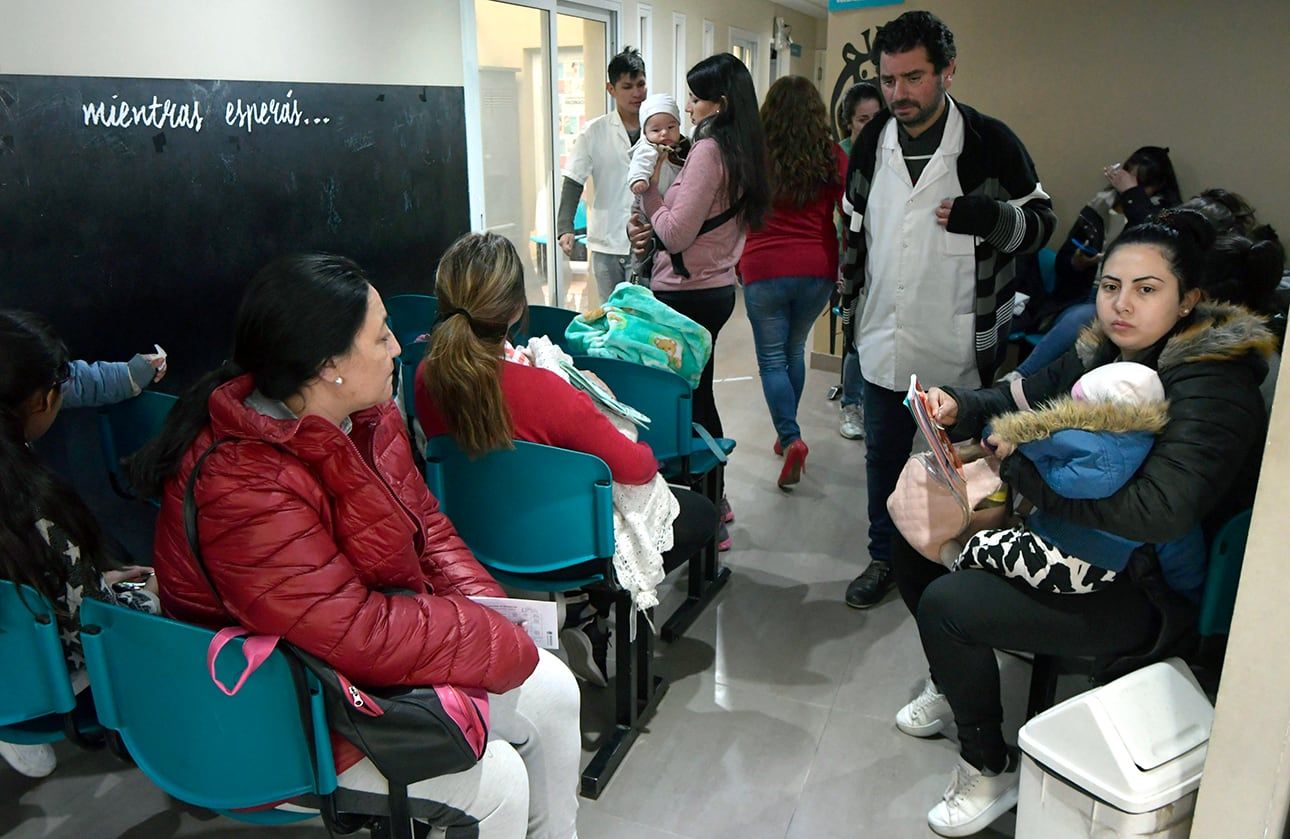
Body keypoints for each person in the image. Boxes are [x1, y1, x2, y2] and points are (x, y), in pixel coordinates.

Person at [128, 255, 579, 838]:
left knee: (553, 690)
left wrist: (494, 614)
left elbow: (427, 529)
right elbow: (352, 631)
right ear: (328, 366)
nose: (398, 347)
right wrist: (489, 640)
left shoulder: (367, 415)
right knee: (498, 783)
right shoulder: (242, 485)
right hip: (293, 704)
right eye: (381, 335)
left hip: (361, 659)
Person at [894, 211, 1272, 836]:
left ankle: (988, 766)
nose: (1121, 304)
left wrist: (1023, 477)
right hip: (1073, 539)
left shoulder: (1212, 385)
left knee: (948, 604)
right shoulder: (1109, 349)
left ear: (1188, 301)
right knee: (917, 539)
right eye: (1109, 285)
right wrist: (961, 406)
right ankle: (952, 680)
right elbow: (1025, 397)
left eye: (1146, 289)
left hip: (1146, 583)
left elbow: (1159, 511)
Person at [414, 232, 719, 685]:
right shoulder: (549, 393)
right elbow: (638, 468)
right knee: (700, 512)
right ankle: (585, 607)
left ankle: (573, 608)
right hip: (563, 545)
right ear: (517, 309)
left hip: (477, 535)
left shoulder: (423, 379)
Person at [839, 10, 1056, 609]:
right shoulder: (871, 141)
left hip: (960, 344)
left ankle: (966, 562)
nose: (898, 94)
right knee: (883, 461)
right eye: (888, 80)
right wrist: (845, 300)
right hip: (884, 335)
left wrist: (988, 218)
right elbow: (854, 229)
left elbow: (1041, 223)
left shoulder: (989, 143)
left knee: (963, 467)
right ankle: (884, 558)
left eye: (913, 78)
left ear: (947, 72)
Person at [0, 310, 158, 780]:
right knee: (156, 591)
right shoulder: (35, 505)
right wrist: (112, 583)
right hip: (53, 671)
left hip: (13, 653)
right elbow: (89, 617)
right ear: (45, 400)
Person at [954, 361, 1205, 596]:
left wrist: (1025, 456)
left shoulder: (1087, 444)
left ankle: (955, 562)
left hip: (1064, 557)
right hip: (1105, 568)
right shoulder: (1149, 451)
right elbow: (1179, 540)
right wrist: (1188, 591)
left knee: (981, 546)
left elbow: (1060, 477)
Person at [628, 52, 771, 445]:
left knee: (688, 397)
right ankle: (711, 488)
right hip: (715, 285)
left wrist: (651, 194)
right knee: (699, 390)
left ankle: (705, 486)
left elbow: (675, 235)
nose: (687, 106)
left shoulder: (709, 151)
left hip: (686, 294)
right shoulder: (741, 148)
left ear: (719, 103)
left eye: (694, 98)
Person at [738, 75, 847, 488]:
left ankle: (791, 436)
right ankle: (788, 435)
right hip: (816, 266)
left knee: (770, 359)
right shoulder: (832, 156)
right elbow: (849, 212)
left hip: (764, 266)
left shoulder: (754, 156)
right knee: (794, 349)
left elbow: (737, 210)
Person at [558, 47, 648, 304]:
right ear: (611, 89)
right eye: (627, 86)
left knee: (643, 314)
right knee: (611, 313)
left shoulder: (657, 128)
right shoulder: (593, 132)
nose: (636, 93)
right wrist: (565, 227)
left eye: (641, 84)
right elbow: (574, 179)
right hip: (606, 241)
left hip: (645, 240)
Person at [835, 82, 883, 441]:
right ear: (848, 122)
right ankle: (851, 404)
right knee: (855, 336)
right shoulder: (843, 156)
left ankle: (873, 406)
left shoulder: (894, 153)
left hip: (886, 260)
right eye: (862, 119)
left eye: (876, 118)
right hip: (852, 259)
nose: (870, 125)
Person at [626, 94, 690, 284]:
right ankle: (640, 270)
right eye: (656, 129)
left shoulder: (685, 149)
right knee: (643, 237)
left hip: (668, 210)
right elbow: (639, 166)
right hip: (645, 203)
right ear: (645, 132)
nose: (664, 133)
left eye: (671, 127)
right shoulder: (648, 149)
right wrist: (639, 181)